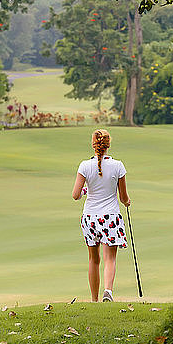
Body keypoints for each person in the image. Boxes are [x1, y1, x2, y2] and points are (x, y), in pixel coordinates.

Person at [72, 129, 130, 302]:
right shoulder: (118, 165)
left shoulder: (84, 166)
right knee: (109, 258)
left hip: (90, 218)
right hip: (110, 217)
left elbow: (75, 195)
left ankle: (94, 299)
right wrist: (127, 202)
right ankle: (108, 291)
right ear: (108, 144)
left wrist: (85, 190)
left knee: (93, 259)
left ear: (93, 144)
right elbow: (123, 197)